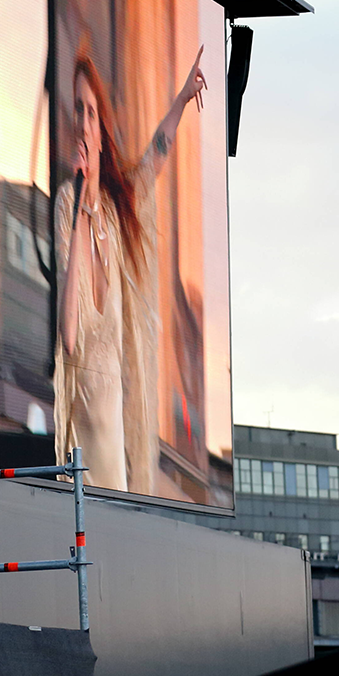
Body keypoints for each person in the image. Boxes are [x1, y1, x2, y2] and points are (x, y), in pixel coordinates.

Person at [54, 45, 206, 494]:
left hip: (117, 409)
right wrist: (81, 209)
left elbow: (154, 158)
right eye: (77, 109)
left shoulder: (121, 209)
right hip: (83, 412)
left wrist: (180, 101)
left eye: (91, 110)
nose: (82, 120)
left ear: (102, 127)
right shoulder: (68, 202)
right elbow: (68, 333)